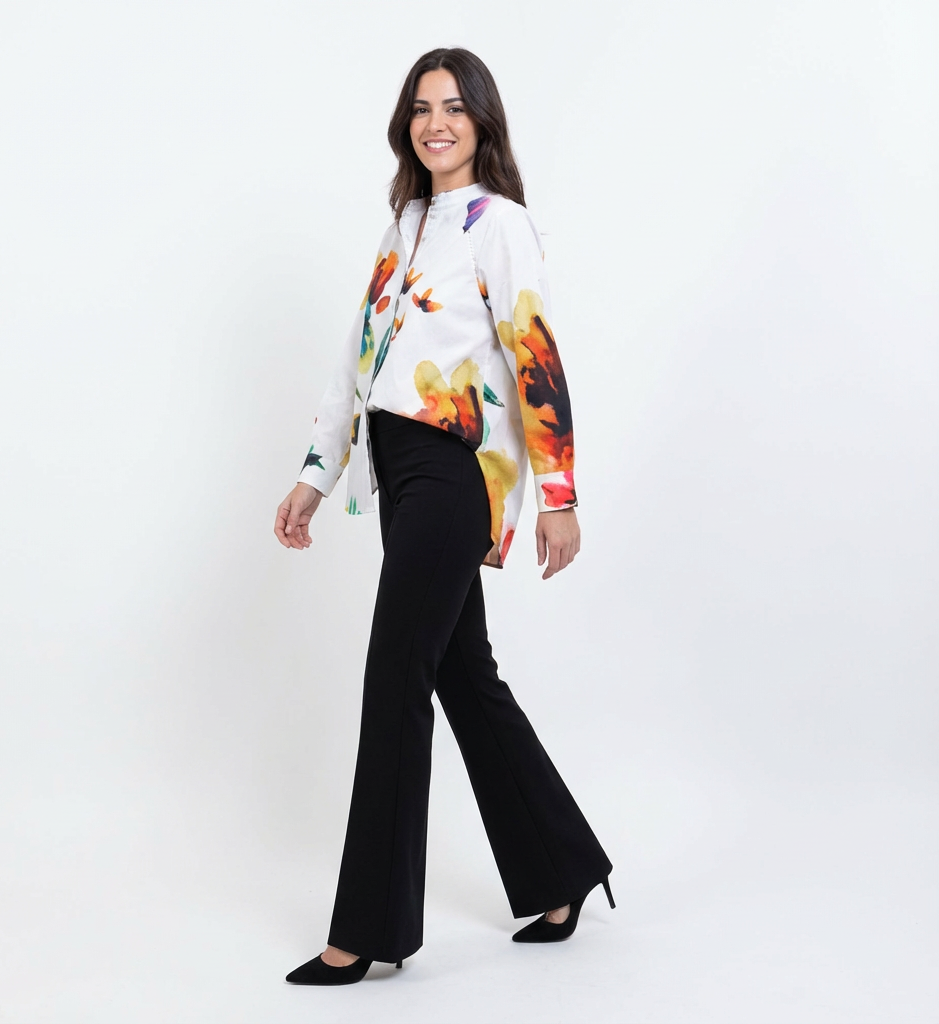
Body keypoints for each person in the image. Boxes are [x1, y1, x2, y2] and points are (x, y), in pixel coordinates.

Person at [275, 47, 614, 986]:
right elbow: (357, 361)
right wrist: (315, 475)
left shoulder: (499, 225)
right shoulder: (404, 226)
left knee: (396, 674)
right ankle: (563, 869)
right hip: (398, 468)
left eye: (455, 108)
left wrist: (559, 498)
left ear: (483, 123)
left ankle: (366, 931)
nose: (437, 123)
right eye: (422, 108)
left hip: (454, 472)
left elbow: (535, 356)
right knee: (464, 676)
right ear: (406, 125)